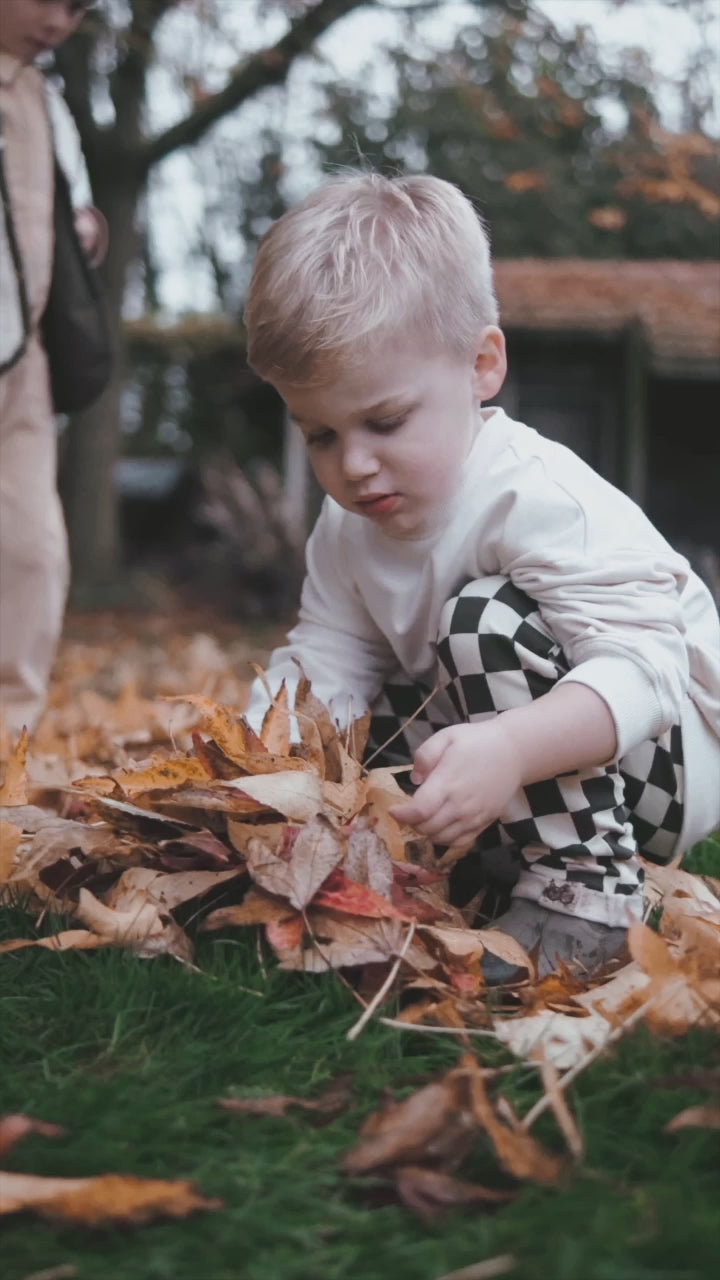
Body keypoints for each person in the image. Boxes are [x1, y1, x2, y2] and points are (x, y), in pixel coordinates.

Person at [243, 171, 720, 981]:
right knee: (361, 710)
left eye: (385, 421)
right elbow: (329, 659)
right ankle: (456, 868)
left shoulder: (536, 496)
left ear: (481, 364)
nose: (353, 465)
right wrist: (266, 772)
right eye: (319, 434)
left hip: (663, 765)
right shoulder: (347, 524)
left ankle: (590, 895)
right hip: (510, 754)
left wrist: (510, 748)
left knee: (482, 623)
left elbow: (647, 673)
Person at [0, 0, 105, 737]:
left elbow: (74, 213)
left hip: (23, 355)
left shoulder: (45, 98)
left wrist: (83, 226)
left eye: (80, 8)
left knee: (32, 549)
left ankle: (8, 742)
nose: (63, 21)